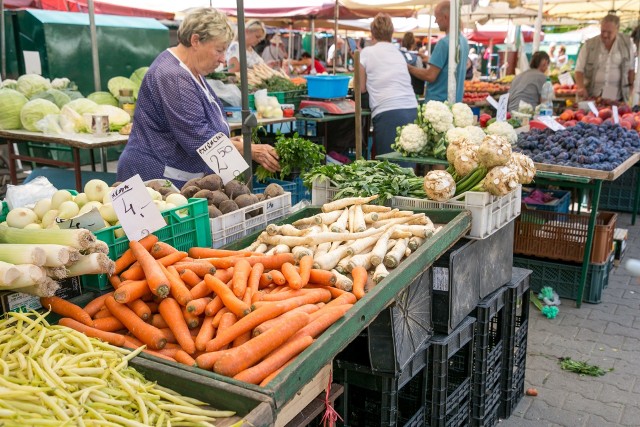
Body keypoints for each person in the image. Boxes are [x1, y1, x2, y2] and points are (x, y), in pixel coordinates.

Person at [117, 8, 280, 188]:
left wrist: (232, 143)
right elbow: (198, 137)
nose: (223, 60)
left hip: (177, 173)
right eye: (219, 50)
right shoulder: (174, 76)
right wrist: (248, 150)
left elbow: (198, 125)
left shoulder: (192, 71)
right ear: (195, 41)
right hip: (154, 176)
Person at [359, 13, 418, 157]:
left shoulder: (366, 53)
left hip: (388, 112)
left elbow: (360, 88)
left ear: (372, 33)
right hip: (412, 109)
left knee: (389, 168)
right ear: (391, 33)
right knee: (408, 164)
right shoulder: (398, 53)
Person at [408, 1, 469, 102]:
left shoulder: (444, 43)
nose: (436, 21)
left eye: (436, 17)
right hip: (454, 101)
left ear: (445, 17)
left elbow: (430, 76)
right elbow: (450, 65)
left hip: (438, 104)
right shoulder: (463, 41)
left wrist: (409, 68)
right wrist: (431, 60)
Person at [575, 14, 636, 102]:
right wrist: (581, 87)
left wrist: (631, 89)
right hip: (592, 95)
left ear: (617, 30)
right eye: (603, 31)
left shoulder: (627, 44)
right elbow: (579, 70)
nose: (605, 35)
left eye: (609, 32)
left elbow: (631, 69)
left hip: (617, 97)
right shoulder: (589, 45)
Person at [400, 31, 425, 96]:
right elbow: (421, 74)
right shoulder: (417, 57)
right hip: (414, 90)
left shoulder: (398, 55)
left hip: (400, 89)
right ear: (413, 43)